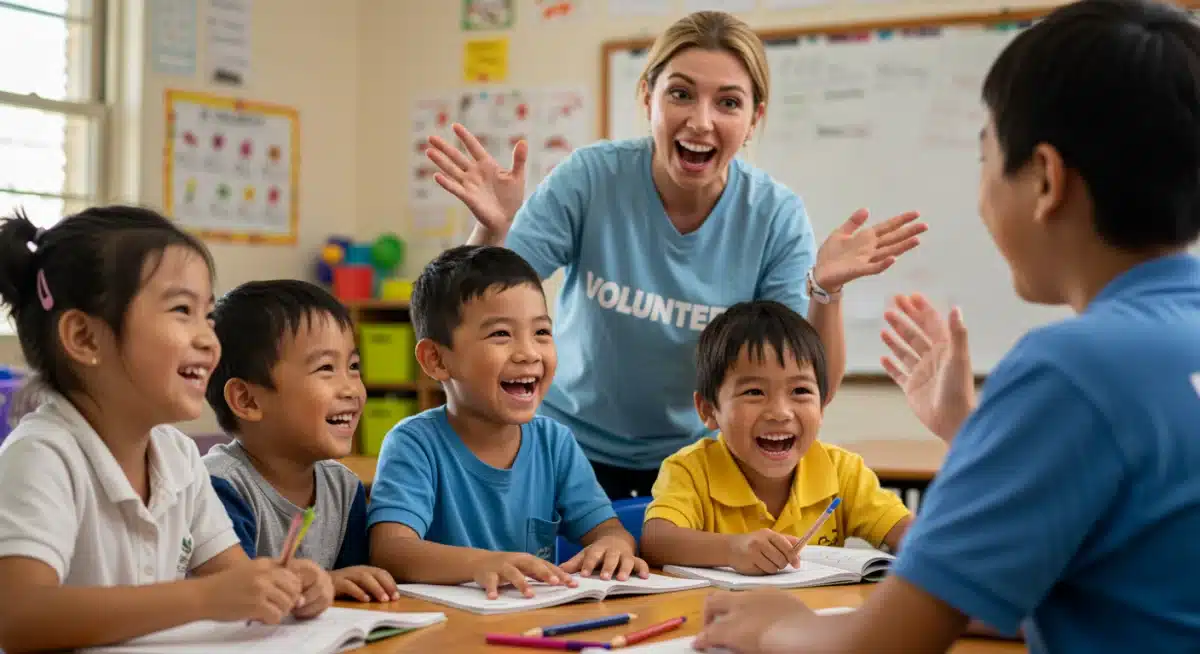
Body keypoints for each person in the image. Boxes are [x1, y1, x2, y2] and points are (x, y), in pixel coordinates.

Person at [692, 0, 1200, 652]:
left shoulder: (1070, 369)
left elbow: (883, 644)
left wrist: (775, 625)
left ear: (1045, 179)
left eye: (985, 156)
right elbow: (1089, 586)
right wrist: (971, 430)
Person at [423, 10, 926, 499]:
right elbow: (480, 305)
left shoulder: (775, 216)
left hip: (699, 460)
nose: (701, 121)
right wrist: (491, 229)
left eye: (728, 103)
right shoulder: (591, 178)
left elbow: (808, 385)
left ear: (755, 119)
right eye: (681, 94)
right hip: (567, 446)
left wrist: (827, 291)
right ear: (648, 99)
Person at [0, 206, 333, 652]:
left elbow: (233, 577)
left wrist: (286, 583)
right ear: (84, 338)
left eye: (208, 316)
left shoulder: (177, 457)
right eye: (182, 310)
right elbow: (19, 617)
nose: (208, 338)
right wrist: (201, 598)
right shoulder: (42, 456)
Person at [368, 245, 649, 600]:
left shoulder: (554, 442)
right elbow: (391, 549)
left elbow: (608, 529)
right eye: (501, 334)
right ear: (436, 360)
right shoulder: (414, 444)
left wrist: (612, 545)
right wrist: (480, 564)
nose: (529, 352)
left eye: (542, 333)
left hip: (530, 624)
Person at [639, 301, 911, 572]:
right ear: (709, 410)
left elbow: (910, 533)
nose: (780, 412)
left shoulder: (843, 471)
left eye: (800, 391)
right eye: (754, 392)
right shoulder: (690, 470)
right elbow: (656, 540)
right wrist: (731, 549)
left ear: (822, 404)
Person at [203, 279, 400, 604]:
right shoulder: (218, 487)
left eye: (353, 367)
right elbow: (240, 595)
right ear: (247, 400)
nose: (352, 388)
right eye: (326, 368)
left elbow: (357, 589)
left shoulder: (344, 488)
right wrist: (325, 582)